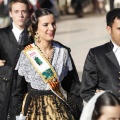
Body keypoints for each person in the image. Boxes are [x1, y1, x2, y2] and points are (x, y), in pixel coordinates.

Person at [9, 8, 83, 120]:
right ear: (35, 28)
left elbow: (72, 86)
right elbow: (18, 92)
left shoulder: (63, 52)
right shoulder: (27, 54)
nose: (51, 28)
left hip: (60, 111)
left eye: (53, 24)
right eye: (45, 25)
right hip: (33, 112)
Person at [0, 0, 33, 119]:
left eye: (24, 11)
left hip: (29, 91)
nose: (20, 15)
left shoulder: (35, 36)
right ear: (10, 13)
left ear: (28, 13)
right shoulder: (1, 35)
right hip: (5, 90)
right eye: (16, 11)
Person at [80, 8, 120, 102]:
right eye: (119, 29)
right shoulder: (96, 54)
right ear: (109, 29)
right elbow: (86, 91)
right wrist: (102, 102)